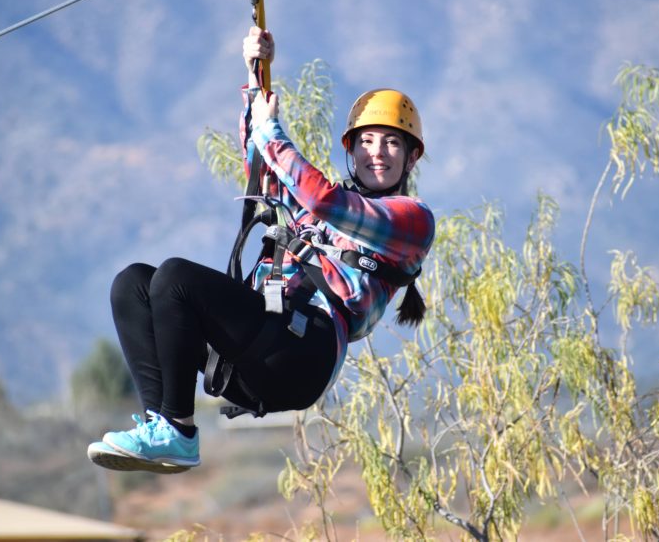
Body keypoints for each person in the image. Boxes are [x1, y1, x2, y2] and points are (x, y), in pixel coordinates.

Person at [87, 27, 435, 473]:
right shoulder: (321, 212)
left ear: (411, 157)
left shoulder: (411, 219)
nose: (377, 153)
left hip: (305, 352)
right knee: (132, 284)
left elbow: (321, 196)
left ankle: (178, 430)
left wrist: (273, 129)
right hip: (260, 342)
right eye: (366, 141)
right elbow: (266, 169)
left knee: (175, 277)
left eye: (391, 142)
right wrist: (255, 76)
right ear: (351, 151)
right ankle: (163, 425)